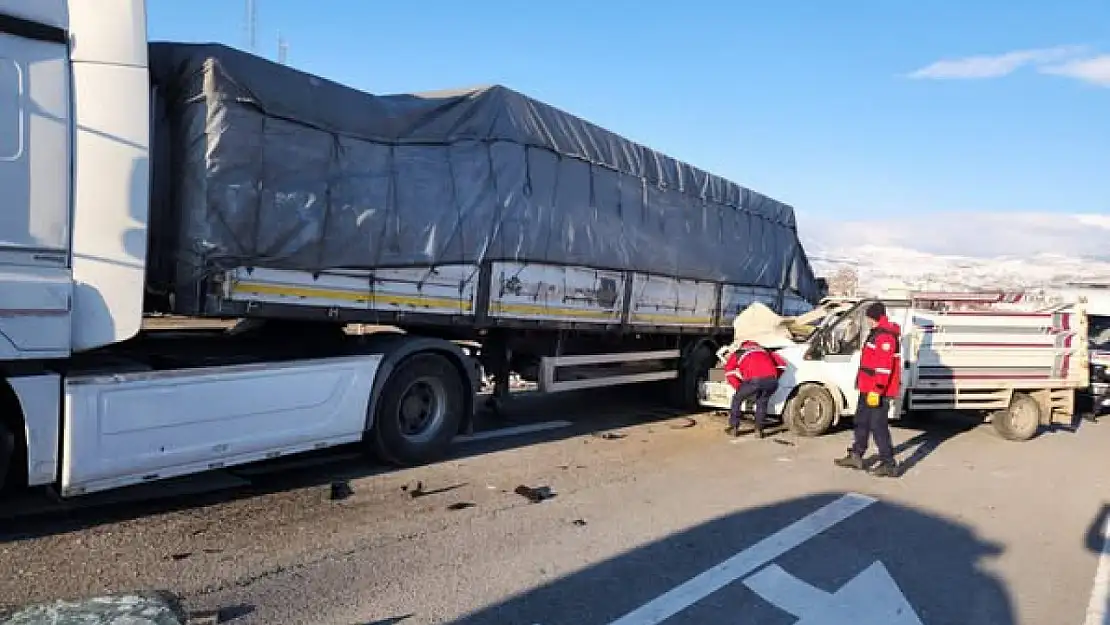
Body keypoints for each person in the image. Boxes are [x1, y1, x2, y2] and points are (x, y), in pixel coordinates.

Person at [835, 302, 902, 477]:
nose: (869, 322)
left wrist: (877, 389)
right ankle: (856, 454)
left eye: (870, 318)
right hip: (868, 387)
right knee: (861, 421)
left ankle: (889, 464)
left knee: (878, 426)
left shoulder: (885, 337)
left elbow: (884, 368)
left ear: (877, 317)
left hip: (877, 390)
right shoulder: (876, 333)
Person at [724, 340, 787, 439]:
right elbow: (782, 365)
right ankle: (759, 430)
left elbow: (728, 371)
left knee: (737, 399)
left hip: (754, 381)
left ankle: (734, 428)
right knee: (762, 402)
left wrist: (739, 387)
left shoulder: (739, 352)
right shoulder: (765, 350)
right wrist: (774, 377)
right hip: (771, 381)